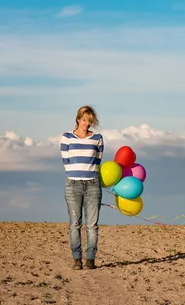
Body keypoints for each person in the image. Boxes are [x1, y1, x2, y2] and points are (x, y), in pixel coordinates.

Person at [61, 105, 104, 270]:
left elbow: (97, 161)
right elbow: (66, 162)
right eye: (84, 120)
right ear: (78, 119)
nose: (86, 123)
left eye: (90, 121)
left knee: (92, 225)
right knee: (75, 223)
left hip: (93, 185)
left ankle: (90, 259)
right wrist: (76, 175)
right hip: (73, 185)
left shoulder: (97, 138)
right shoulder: (67, 138)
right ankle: (77, 259)